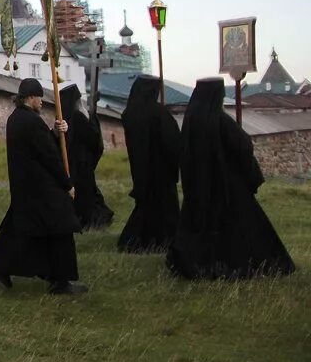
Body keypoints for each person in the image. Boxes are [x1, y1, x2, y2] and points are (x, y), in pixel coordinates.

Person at [167, 78, 295, 280]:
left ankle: (196, 263)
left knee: (200, 225)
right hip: (227, 185)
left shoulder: (191, 118)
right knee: (243, 228)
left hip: (200, 186)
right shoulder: (220, 120)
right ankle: (242, 264)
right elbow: (243, 147)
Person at [0, 78, 86, 295]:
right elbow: (49, 156)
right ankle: (60, 282)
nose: (41, 102)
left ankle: (3, 264)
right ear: (30, 97)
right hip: (42, 186)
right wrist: (67, 184)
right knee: (61, 228)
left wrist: (55, 132)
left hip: (26, 185)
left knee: (26, 229)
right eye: (39, 97)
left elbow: (39, 145)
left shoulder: (16, 119)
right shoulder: (32, 121)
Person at [117, 75, 180, 253]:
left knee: (145, 204)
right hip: (160, 168)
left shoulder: (130, 112)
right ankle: (164, 240)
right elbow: (172, 141)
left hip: (140, 167)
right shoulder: (158, 113)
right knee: (164, 206)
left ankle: (136, 240)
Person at [60, 83, 114, 230]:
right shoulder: (75, 116)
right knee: (84, 193)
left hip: (76, 163)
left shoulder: (70, 117)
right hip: (80, 164)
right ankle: (86, 220)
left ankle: (84, 220)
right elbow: (93, 137)